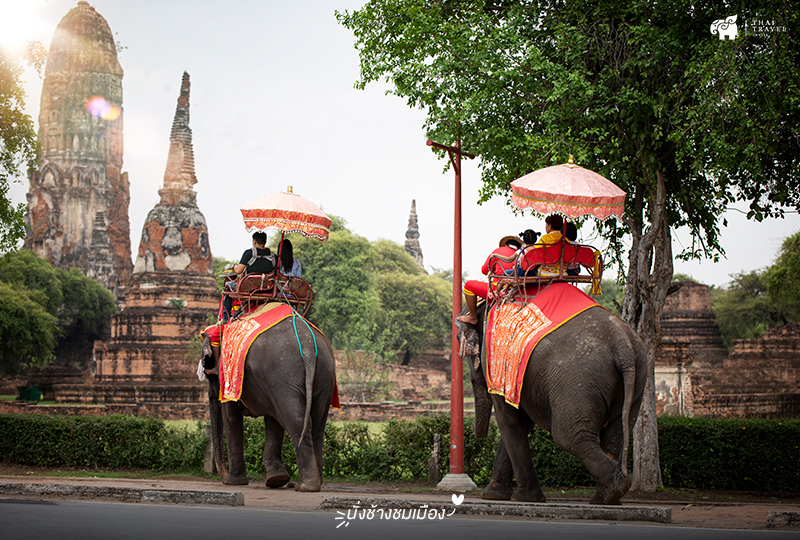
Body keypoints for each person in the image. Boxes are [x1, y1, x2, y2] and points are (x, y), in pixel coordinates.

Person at [456, 235, 522, 325]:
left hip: (498, 289)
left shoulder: (498, 251)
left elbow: (484, 270)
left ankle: (472, 317)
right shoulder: (521, 254)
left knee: (468, 285)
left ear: (506, 245)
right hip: (518, 288)